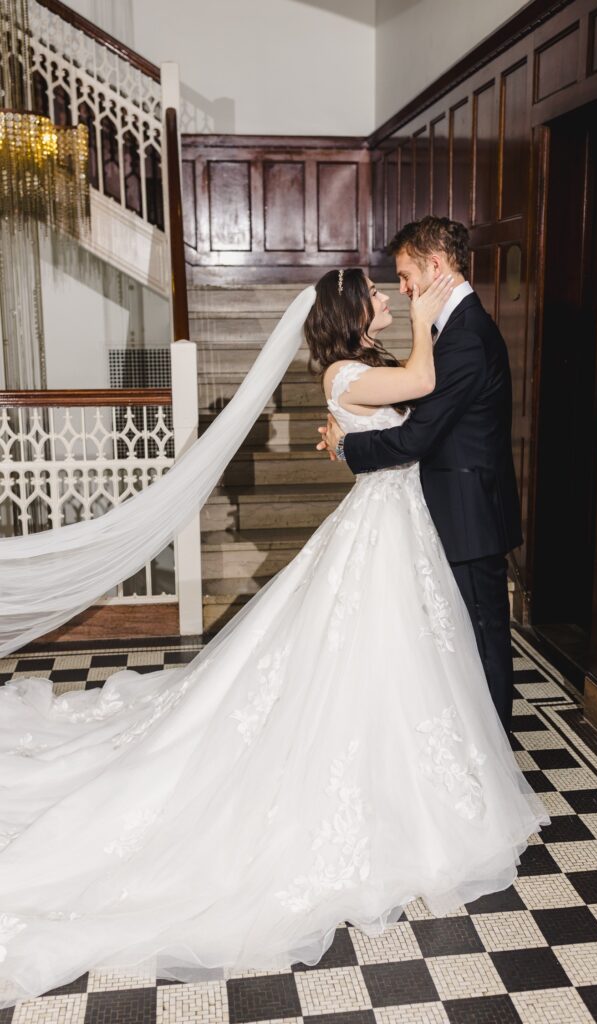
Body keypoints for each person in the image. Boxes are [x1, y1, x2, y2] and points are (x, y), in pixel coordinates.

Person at [0, 268, 547, 1007]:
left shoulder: (357, 371)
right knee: (370, 651)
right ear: (352, 312)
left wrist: (348, 432)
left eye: (395, 291)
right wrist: (426, 313)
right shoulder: (350, 370)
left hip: (395, 525)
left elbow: (406, 418)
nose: (388, 297)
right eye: (378, 294)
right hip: (382, 531)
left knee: (400, 655)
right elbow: (423, 380)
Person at [318, 217, 522, 737]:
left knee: (482, 635)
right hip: (442, 507)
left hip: (468, 511)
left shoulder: (465, 338)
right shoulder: (447, 332)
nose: (402, 289)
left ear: (435, 265)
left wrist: (348, 444)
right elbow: (413, 401)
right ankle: (467, 742)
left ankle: (493, 749)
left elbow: (415, 438)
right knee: (453, 638)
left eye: (406, 275)